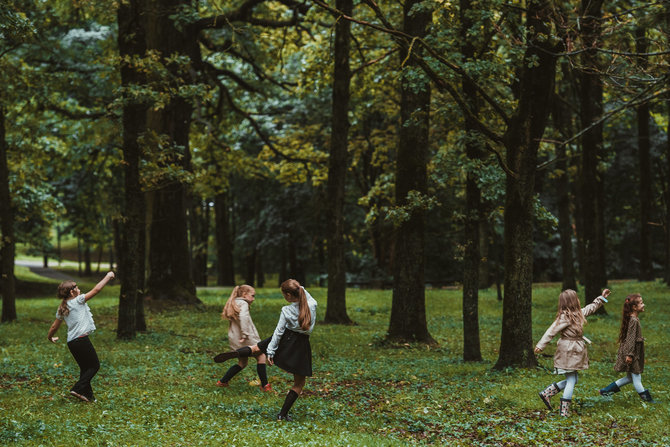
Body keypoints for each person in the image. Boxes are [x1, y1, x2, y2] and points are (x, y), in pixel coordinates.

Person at [214, 279, 317, 421]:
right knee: (299, 383)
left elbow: (278, 332)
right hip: (300, 344)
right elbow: (302, 292)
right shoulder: (312, 304)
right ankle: (282, 414)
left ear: (288, 295)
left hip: (285, 337)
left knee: (256, 348)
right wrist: (297, 287)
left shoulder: (286, 310)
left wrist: (271, 351)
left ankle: (237, 353)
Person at [534, 288, 610, 416]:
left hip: (573, 349)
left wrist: (601, 298)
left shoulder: (578, 314)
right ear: (572, 302)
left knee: (573, 379)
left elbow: (591, 308)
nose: (579, 300)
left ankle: (547, 393)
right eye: (577, 298)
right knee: (571, 380)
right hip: (568, 349)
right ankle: (564, 411)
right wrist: (541, 345)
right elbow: (551, 331)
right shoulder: (565, 317)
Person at [46, 271, 115, 402]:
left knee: (85, 368)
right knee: (94, 366)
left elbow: (54, 326)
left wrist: (50, 337)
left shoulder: (62, 307)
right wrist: (108, 277)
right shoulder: (78, 300)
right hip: (81, 340)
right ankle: (77, 388)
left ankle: (88, 396)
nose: (78, 289)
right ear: (72, 292)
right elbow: (96, 289)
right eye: (76, 287)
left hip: (72, 342)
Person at [599, 293, 654, 402]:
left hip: (632, 352)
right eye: (641, 303)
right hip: (631, 352)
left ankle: (606, 391)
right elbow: (630, 338)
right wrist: (630, 355)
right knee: (637, 377)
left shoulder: (633, 319)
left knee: (630, 378)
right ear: (634, 307)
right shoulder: (633, 320)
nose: (644, 305)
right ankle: (648, 401)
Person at [217, 285, 271, 391]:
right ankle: (265, 385)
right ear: (244, 295)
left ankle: (222, 381)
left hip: (236, 339)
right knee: (261, 357)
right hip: (247, 338)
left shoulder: (233, 303)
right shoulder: (244, 303)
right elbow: (244, 317)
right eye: (252, 296)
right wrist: (245, 333)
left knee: (242, 363)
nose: (253, 298)